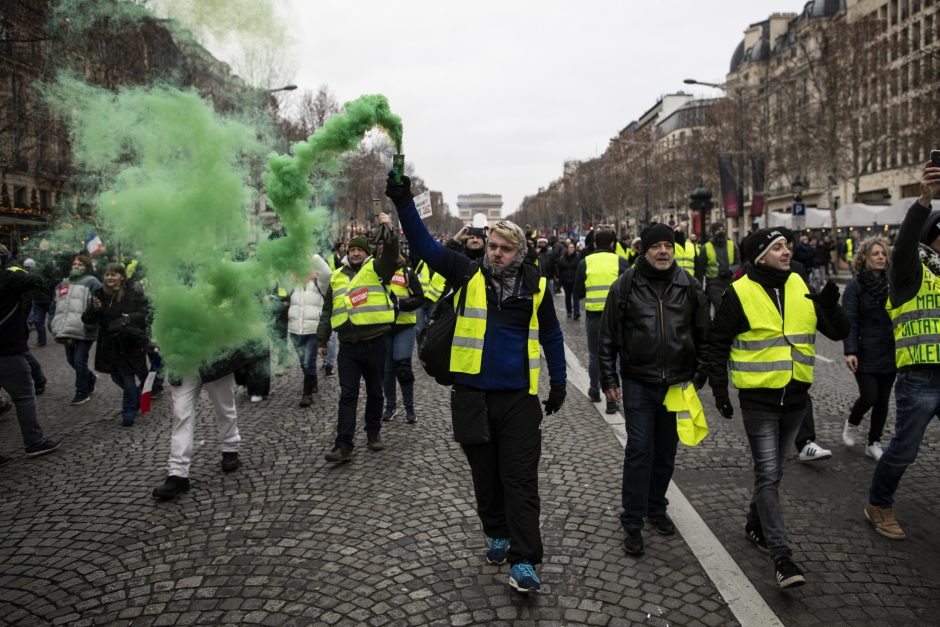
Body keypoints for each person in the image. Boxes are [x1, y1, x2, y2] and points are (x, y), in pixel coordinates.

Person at [386, 172, 567, 594]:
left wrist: (558, 382)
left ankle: (524, 560)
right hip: (471, 396)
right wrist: (403, 202)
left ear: (520, 253)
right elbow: (427, 247)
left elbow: (553, 335)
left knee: (521, 481)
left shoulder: (536, 285)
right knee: (485, 478)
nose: (497, 253)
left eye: (506, 249)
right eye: (493, 246)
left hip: (519, 399)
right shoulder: (465, 273)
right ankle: (497, 533)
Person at [707, 228, 848, 589]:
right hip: (759, 401)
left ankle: (755, 524)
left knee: (775, 473)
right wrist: (720, 391)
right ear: (759, 256)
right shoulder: (738, 292)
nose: (788, 251)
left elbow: (838, 331)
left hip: (797, 401)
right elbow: (718, 343)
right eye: (778, 247)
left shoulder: (800, 283)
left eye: (787, 245)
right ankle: (782, 558)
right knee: (767, 475)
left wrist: (829, 305)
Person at [598, 224, 709, 557]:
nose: (664, 251)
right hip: (637, 382)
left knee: (665, 452)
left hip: (676, 384)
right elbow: (607, 338)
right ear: (643, 250)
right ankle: (632, 520)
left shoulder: (689, 286)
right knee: (639, 450)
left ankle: (656, 506)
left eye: (668, 245)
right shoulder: (625, 285)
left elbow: (704, 333)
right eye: (657, 246)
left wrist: (700, 373)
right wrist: (609, 380)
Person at [865, 162, 940, 540]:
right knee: (905, 449)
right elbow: (908, 240)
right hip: (919, 376)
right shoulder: (909, 271)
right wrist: (923, 201)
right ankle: (879, 503)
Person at [316, 212, 399, 461]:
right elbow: (328, 308)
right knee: (347, 394)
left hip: (375, 341)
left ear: (367, 253)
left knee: (375, 391)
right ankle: (343, 445)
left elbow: (392, 252)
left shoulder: (377, 268)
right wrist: (322, 339)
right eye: (351, 250)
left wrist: (389, 228)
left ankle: (373, 433)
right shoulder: (337, 276)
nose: (354, 253)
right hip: (348, 346)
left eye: (359, 250)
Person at [152, 350, 248, 500]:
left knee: (225, 408)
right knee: (180, 414)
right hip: (182, 361)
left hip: (216, 357)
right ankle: (178, 473)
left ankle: (230, 447)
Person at [0, 252, 61, 465]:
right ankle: (34, 443)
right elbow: (40, 281)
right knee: (24, 397)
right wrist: (15, 266)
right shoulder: (9, 277)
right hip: (7, 350)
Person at [841, 237, 895, 461]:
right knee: (869, 396)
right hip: (864, 351)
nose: (881, 257)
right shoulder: (855, 286)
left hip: (890, 350)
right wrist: (850, 351)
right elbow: (850, 321)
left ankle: (874, 442)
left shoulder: (893, 283)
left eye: (883, 254)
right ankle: (852, 423)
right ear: (865, 257)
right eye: (876, 254)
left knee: (883, 400)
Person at [81, 263, 151, 426]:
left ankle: (128, 412)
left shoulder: (132, 293)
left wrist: (130, 317)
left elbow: (146, 312)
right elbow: (87, 319)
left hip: (129, 341)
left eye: (113, 274)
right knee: (115, 376)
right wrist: (95, 309)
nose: (109, 278)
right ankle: (137, 398)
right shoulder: (98, 294)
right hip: (109, 342)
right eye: (107, 275)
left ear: (121, 277)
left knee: (127, 376)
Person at [575, 228, 629, 412]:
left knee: (594, 355)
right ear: (613, 244)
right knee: (615, 357)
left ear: (595, 244)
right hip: (617, 317)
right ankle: (612, 399)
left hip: (594, 316)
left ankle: (594, 389)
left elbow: (578, 292)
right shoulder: (621, 261)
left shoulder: (585, 262)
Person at [50, 255, 101, 405]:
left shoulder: (92, 282)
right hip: (67, 328)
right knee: (71, 360)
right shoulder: (63, 283)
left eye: (80, 264)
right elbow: (56, 305)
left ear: (86, 267)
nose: (76, 266)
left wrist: (91, 323)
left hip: (85, 329)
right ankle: (90, 378)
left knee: (79, 361)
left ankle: (81, 392)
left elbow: (99, 303)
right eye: (75, 263)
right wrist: (53, 322)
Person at [381, 253, 423, 424]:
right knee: (387, 370)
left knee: (403, 366)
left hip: (405, 326)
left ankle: (409, 407)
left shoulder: (406, 273)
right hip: (383, 327)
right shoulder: (375, 275)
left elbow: (420, 298)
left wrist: (399, 304)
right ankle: (390, 406)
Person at [287, 253, 331, 407]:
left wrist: (309, 254)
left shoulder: (320, 283)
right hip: (295, 329)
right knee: (302, 363)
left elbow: (327, 273)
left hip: (313, 329)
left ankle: (307, 394)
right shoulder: (293, 284)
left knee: (308, 362)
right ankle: (312, 381)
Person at [698, 222, 742, 314]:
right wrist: (700, 287)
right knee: (720, 308)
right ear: (713, 232)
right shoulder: (706, 247)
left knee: (731, 308)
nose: (721, 232)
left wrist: (730, 271)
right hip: (713, 283)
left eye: (723, 230)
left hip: (729, 282)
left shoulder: (732, 245)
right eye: (718, 230)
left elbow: (738, 263)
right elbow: (700, 269)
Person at [556, 242, 581, 320]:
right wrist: (558, 277)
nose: (572, 249)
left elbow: (579, 268)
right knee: (568, 296)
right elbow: (559, 268)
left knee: (575, 296)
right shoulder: (562, 258)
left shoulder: (577, 257)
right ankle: (569, 311)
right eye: (570, 247)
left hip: (575, 280)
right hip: (565, 280)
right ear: (567, 249)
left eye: (573, 247)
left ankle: (576, 312)